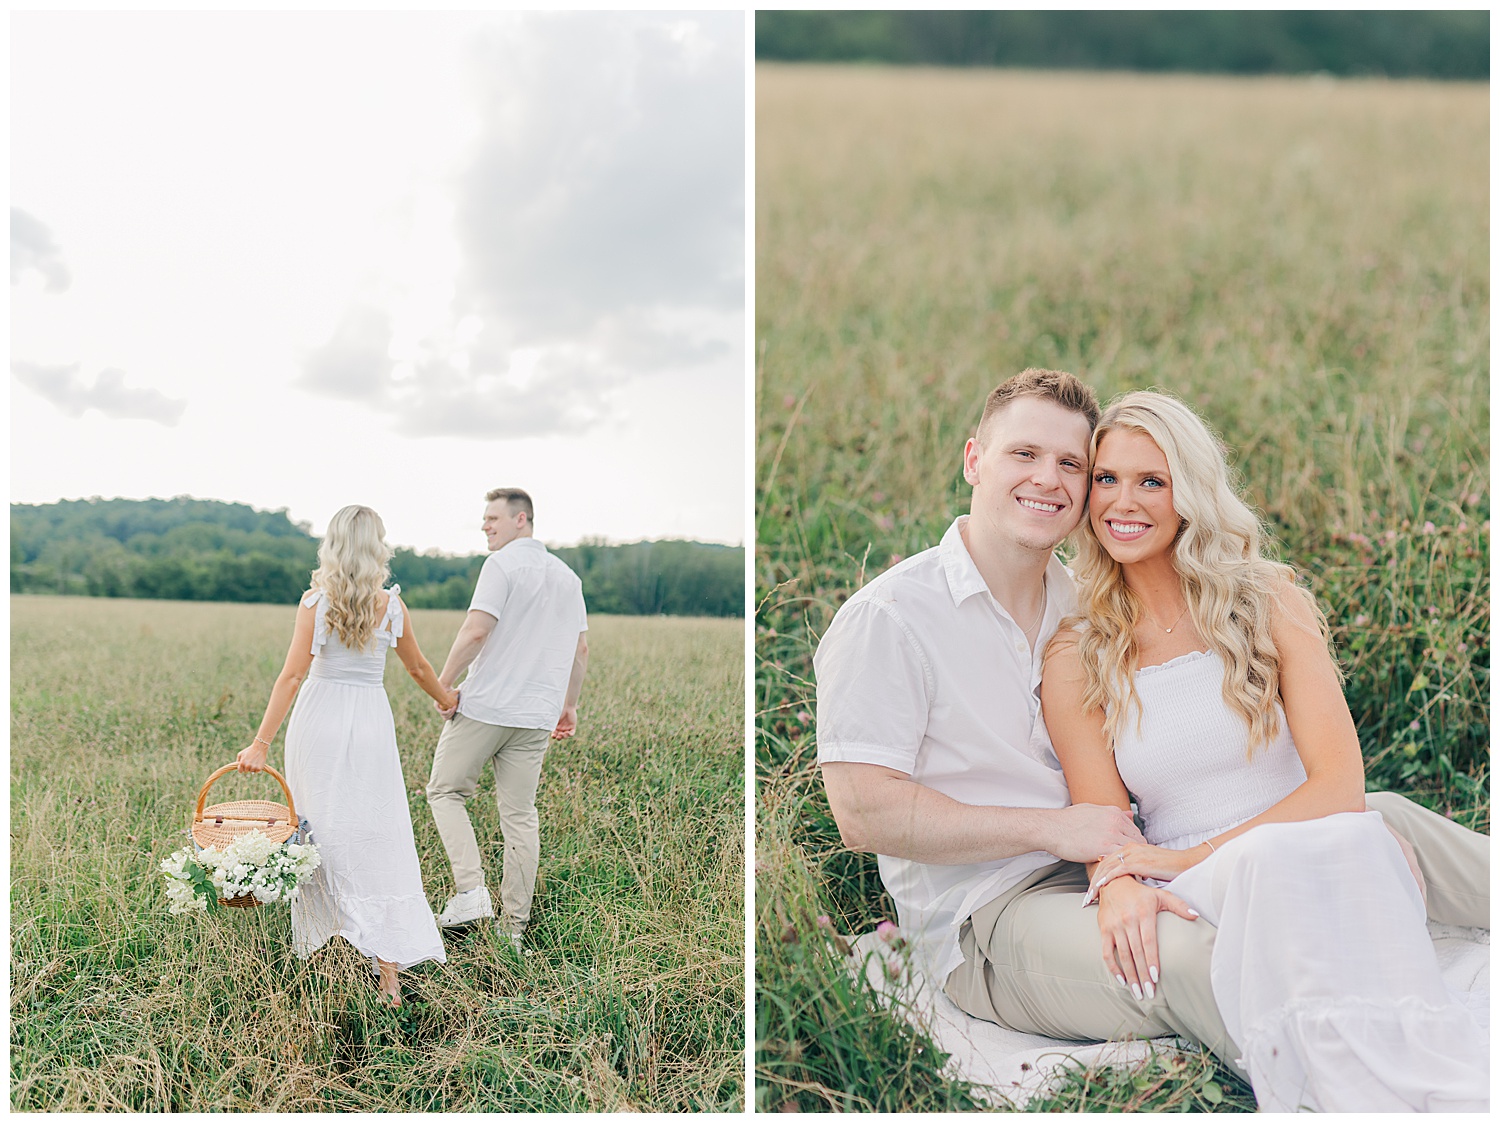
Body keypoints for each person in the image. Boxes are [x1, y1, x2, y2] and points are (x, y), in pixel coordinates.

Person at [814, 369, 1488, 1094]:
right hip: (993, 911)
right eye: (1025, 455)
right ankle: (1373, 1081)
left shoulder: (1076, 606)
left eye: (1072, 464)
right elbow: (862, 814)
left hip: (1122, 854)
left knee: (1380, 819)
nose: (1053, 479)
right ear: (975, 459)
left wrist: (1117, 863)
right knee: (1217, 957)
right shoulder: (896, 617)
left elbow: (1315, 785)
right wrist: (1079, 843)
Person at [1040, 391, 1487, 1110]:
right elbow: (1101, 814)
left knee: (1357, 837)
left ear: (1190, 493)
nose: (1123, 501)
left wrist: (1203, 850)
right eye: (1106, 479)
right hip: (1199, 884)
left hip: (1305, 834)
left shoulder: (1269, 599)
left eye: (1152, 480)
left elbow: (1340, 783)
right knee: (1284, 859)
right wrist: (1125, 881)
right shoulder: (1077, 653)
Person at [236, 504, 456, 1007]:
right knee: (378, 833)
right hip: (370, 724)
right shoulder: (392, 607)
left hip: (318, 723)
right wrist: (448, 700)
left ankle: (326, 953)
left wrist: (261, 742)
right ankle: (388, 976)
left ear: (331, 546)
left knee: (321, 831)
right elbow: (420, 668)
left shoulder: (315, 603)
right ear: (379, 548)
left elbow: (291, 676)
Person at [425, 487, 589, 950]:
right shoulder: (568, 577)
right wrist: (569, 705)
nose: (485, 526)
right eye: (484, 519)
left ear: (522, 520)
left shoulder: (501, 565)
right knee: (520, 816)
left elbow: (477, 629)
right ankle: (513, 930)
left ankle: (471, 892)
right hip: (536, 715)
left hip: (487, 706)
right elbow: (580, 649)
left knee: (445, 792)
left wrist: (443, 685)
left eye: (493, 518)